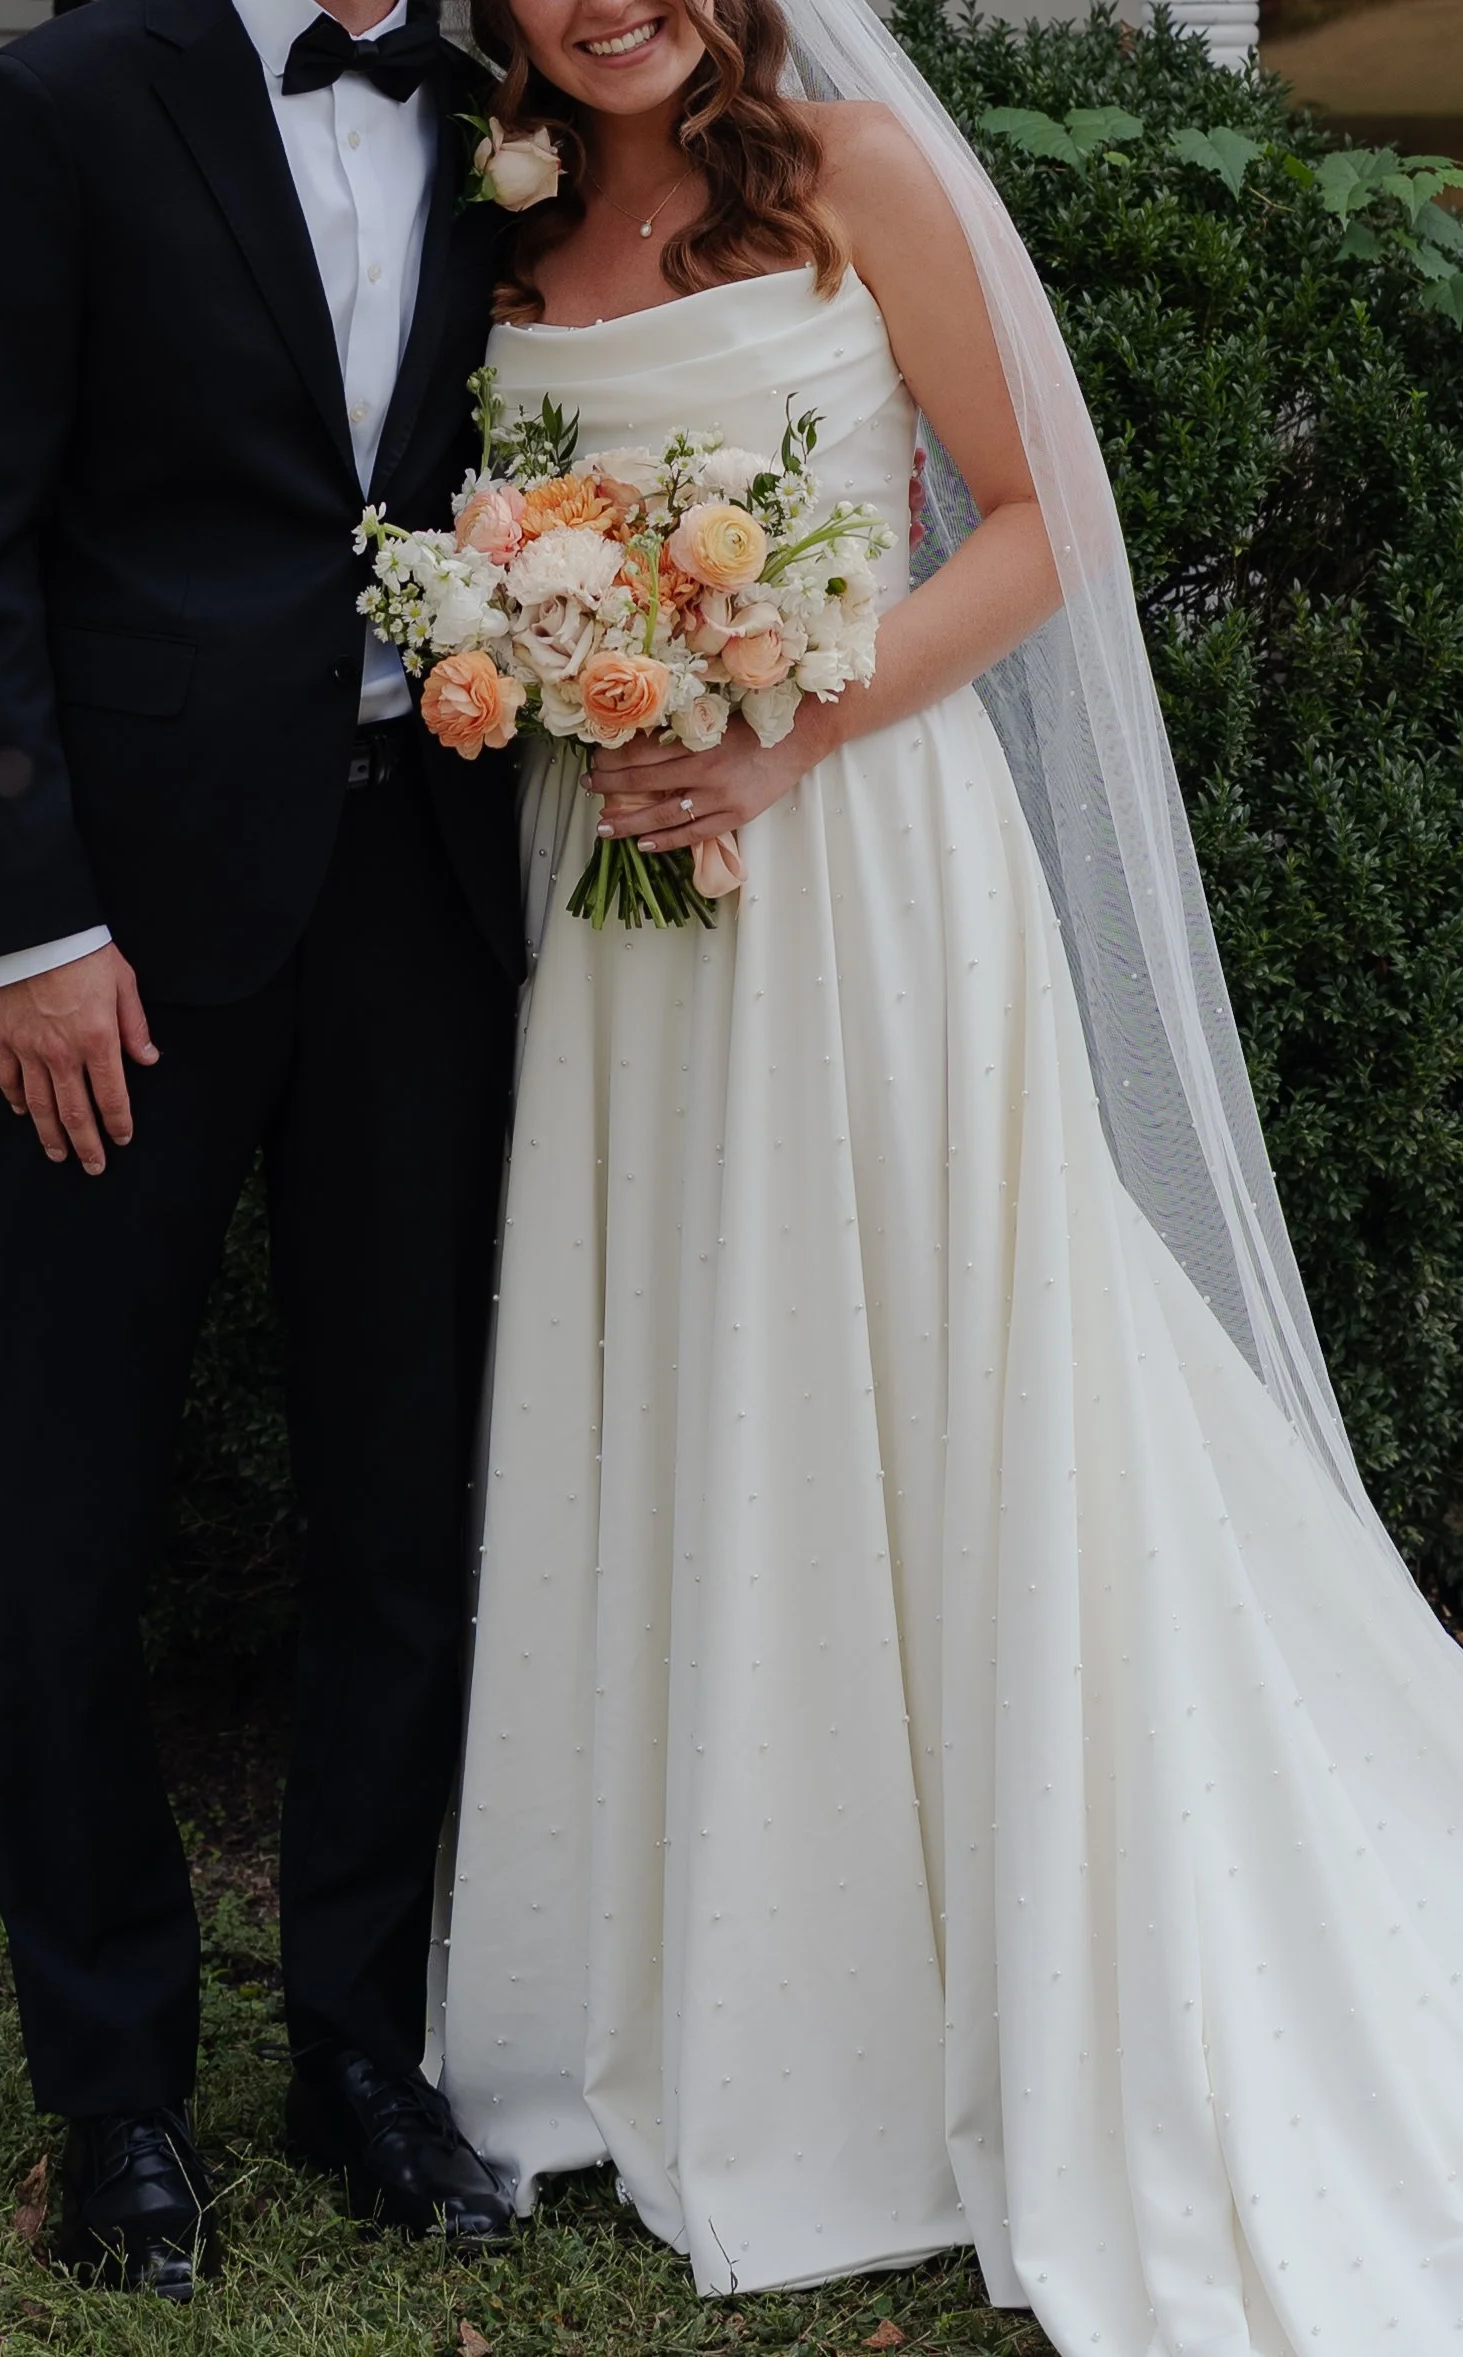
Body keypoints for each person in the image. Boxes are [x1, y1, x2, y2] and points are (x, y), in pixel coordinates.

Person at [434, 5, 1463, 2353]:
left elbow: (1041, 527)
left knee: (915, 1337)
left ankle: (939, 1993)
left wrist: (783, 728)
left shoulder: (844, 178)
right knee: (678, 1345)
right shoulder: (496, 240)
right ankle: (704, 1958)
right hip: (609, 906)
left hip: (863, 857)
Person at [0, 0, 524, 2298]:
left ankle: (358, 2044)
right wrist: (31, 920)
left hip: (424, 906)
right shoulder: (53, 107)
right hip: (124, 927)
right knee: (76, 1502)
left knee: (399, 1499)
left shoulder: (496, 124)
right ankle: (114, 2081)